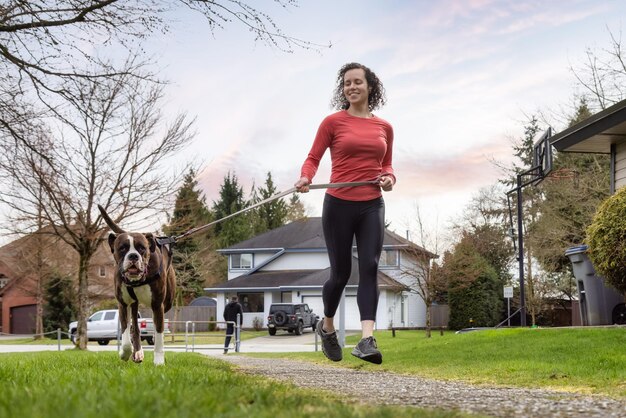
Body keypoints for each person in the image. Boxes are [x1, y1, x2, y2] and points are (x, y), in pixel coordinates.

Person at [295, 62, 395, 365]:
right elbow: (313, 157)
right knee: (340, 273)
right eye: (346, 83)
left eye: (357, 82)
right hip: (338, 204)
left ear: (370, 87)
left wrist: (389, 179)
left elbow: (388, 164)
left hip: (371, 204)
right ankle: (326, 326)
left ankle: (366, 339)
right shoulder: (332, 122)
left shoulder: (384, 128)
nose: (351, 87)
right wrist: (305, 177)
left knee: (369, 266)